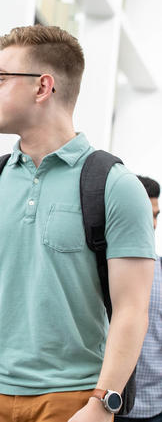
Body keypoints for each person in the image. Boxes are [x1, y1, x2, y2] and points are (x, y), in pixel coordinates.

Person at [0, 25, 157, 422]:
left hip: (71, 401)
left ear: (43, 87)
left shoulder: (116, 187)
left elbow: (132, 310)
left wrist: (101, 402)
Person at [116, 176, 161, 422]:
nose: (153, 224)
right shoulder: (96, 271)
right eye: (147, 213)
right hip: (103, 405)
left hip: (154, 410)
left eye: (156, 215)